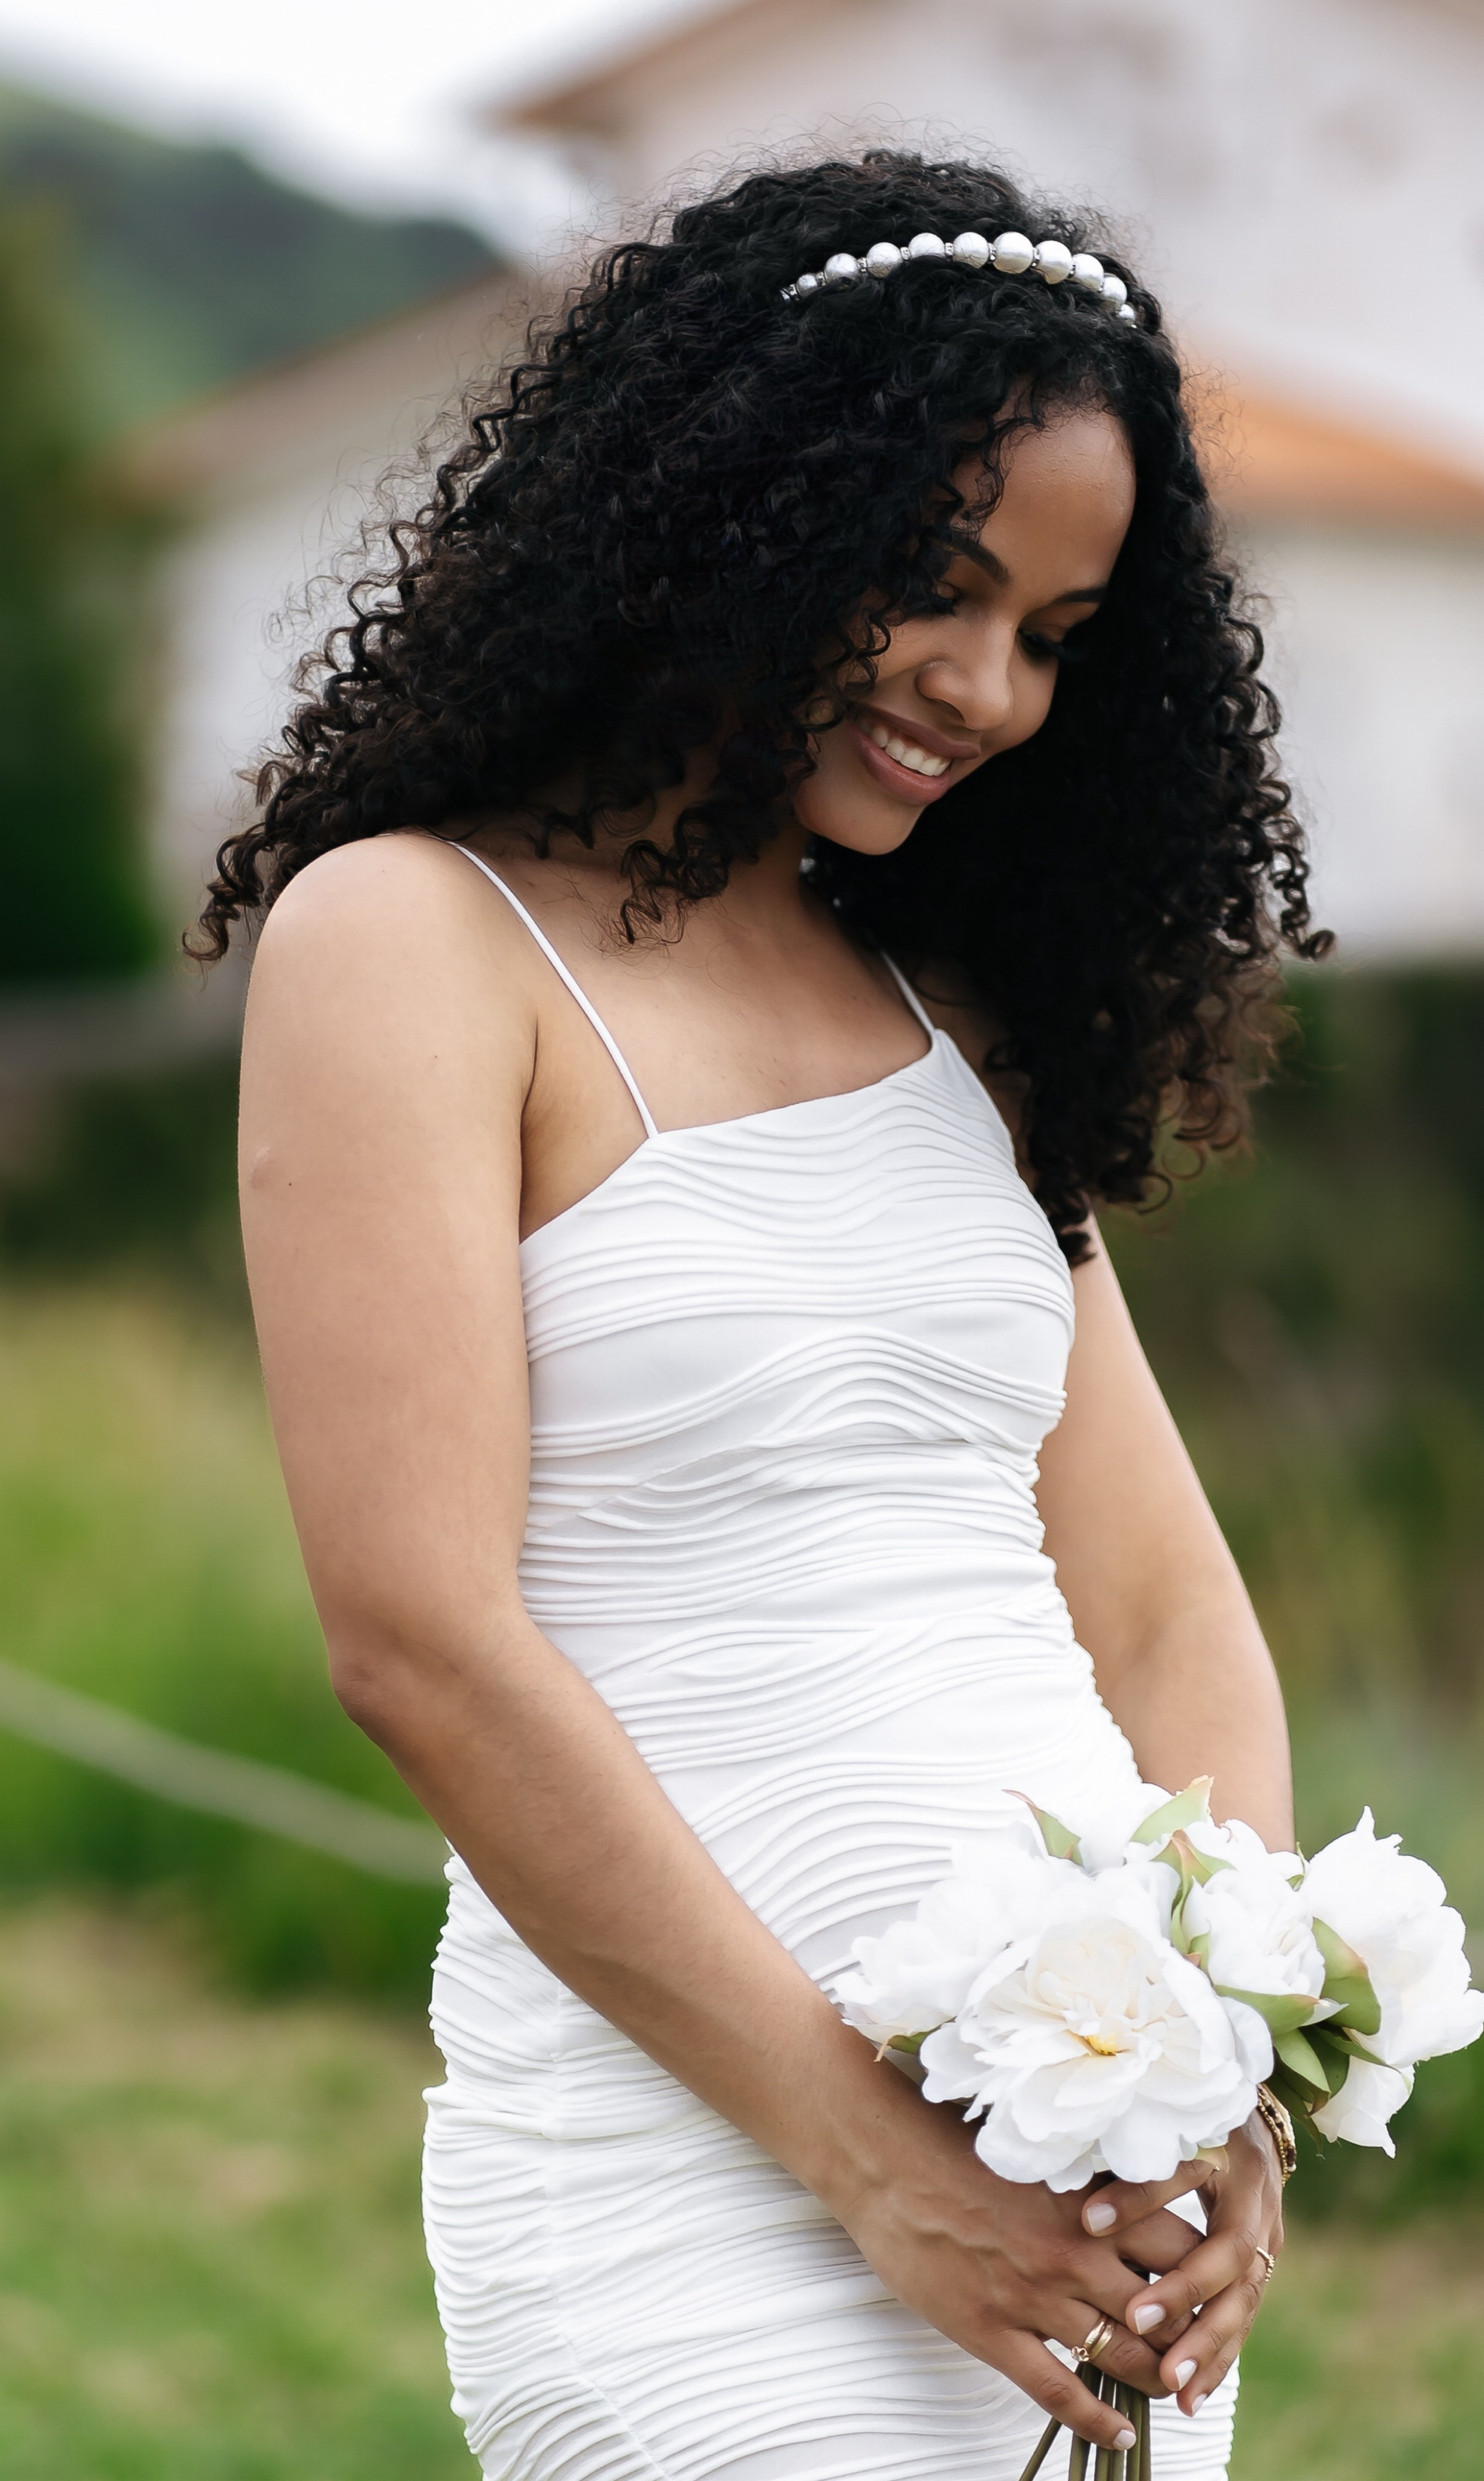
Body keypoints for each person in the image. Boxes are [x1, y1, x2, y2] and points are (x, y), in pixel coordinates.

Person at [207, 150, 1324, 2481]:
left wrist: (1229, 2068)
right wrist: (866, 2158)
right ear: (721, 507)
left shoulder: (960, 1021)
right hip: (696, 2186)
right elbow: (418, 1634)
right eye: (934, 583)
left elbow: (1163, 1613)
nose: (986, 686)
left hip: (1067, 2217)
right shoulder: (410, 943)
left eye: (1054, 632)